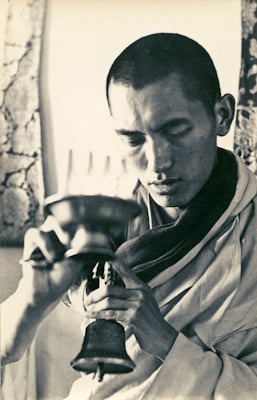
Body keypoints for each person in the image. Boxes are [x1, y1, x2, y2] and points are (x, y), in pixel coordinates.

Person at [1, 33, 257, 399]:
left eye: (175, 130)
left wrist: (164, 340)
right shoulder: (90, 218)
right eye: (133, 139)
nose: (156, 163)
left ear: (223, 115)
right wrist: (33, 299)